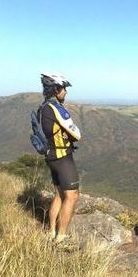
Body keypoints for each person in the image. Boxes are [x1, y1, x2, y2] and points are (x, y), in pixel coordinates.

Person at [39, 73, 81, 243]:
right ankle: (61, 237)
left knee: (59, 194)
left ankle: (51, 232)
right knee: (72, 196)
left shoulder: (43, 107)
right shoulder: (57, 108)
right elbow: (77, 134)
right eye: (64, 88)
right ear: (56, 89)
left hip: (51, 156)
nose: (65, 92)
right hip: (63, 157)